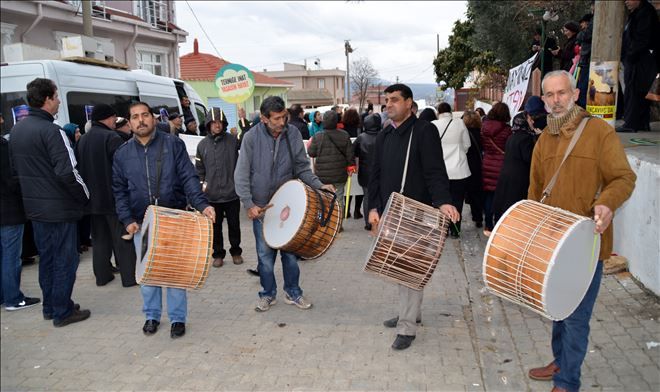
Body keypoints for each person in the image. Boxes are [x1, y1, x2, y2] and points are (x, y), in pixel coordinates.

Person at [527, 70, 636, 392]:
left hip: (588, 244)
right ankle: (560, 359)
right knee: (557, 308)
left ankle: (567, 382)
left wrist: (606, 203)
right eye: (549, 95)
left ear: (575, 95)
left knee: (575, 316)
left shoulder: (599, 132)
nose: (556, 100)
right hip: (553, 243)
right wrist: (533, 234)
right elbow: (534, 192)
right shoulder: (544, 139)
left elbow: (623, 178)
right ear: (544, 100)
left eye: (562, 93)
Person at [368, 84, 459, 350]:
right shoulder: (384, 135)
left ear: (409, 103)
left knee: (410, 268)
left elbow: (435, 170)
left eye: (395, 100)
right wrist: (373, 208)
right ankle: (412, 312)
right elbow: (375, 176)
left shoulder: (424, 131)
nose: (389, 104)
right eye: (387, 100)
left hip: (417, 213)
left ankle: (407, 327)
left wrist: (443, 201)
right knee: (399, 266)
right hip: (391, 212)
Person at [112, 101, 215, 339]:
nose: (141, 120)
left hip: (174, 219)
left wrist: (202, 205)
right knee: (148, 273)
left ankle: (178, 319)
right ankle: (152, 315)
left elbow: (189, 178)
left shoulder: (173, 144)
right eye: (135, 117)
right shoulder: (122, 154)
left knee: (175, 272)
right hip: (141, 223)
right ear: (129, 123)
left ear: (154, 118)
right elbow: (119, 191)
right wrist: (127, 219)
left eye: (145, 115)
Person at [234, 96, 335, 312]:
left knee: (290, 257)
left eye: (284, 117)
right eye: (277, 118)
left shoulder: (293, 133)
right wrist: (248, 203)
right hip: (260, 210)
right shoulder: (251, 138)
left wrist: (319, 185)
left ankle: (293, 292)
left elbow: (302, 168)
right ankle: (267, 294)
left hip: (289, 207)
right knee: (265, 258)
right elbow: (241, 174)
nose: (282, 122)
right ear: (263, 119)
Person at [9, 77, 91, 327]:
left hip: (35, 208)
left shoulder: (17, 130)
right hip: (59, 209)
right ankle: (62, 311)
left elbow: (15, 172)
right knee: (65, 259)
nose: (57, 102)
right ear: (47, 99)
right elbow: (68, 172)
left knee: (48, 259)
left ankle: (51, 305)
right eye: (56, 97)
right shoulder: (52, 131)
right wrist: (85, 196)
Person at [76, 103, 136, 287]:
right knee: (123, 239)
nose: (114, 122)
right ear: (107, 118)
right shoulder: (112, 137)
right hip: (113, 199)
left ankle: (102, 277)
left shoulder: (83, 140)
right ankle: (129, 277)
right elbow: (123, 168)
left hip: (91, 200)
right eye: (113, 118)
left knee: (100, 240)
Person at [196, 114, 243, 268]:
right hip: (212, 196)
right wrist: (202, 188)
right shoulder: (202, 145)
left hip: (232, 194)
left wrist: (243, 121)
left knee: (234, 225)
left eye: (220, 122)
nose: (217, 125)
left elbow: (247, 141)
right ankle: (218, 254)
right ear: (208, 124)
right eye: (213, 122)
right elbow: (199, 170)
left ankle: (236, 252)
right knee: (215, 228)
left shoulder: (232, 141)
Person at [1, 133, 41, 311]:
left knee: (5, 255)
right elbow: (9, 178)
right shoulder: (2, 145)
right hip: (8, 210)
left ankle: (4, 295)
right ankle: (13, 298)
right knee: (11, 256)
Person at [492, 96, 547, 223]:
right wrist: (539, 139)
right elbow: (532, 159)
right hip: (518, 184)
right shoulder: (526, 139)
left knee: (504, 214)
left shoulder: (513, 136)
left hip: (507, 182)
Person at [618, 0, 659, 133]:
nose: (626, 2)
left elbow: (642, 39)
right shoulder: (637, 13)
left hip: (640, 59)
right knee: (639, 90)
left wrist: (629, 55)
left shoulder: (645, 13)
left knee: (634, 90)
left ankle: (631, 123)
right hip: (638, 58)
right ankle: (641, 122)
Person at [431, 103, 471, 238]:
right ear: (450, 111)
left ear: (438, 112)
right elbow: (467, 145)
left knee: (441, 201)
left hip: (440, 170)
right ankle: (455, 229)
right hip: (459, 169)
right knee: (457, 201)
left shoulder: (433, 124)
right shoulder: (459, 123)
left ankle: (443, 229)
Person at [308, 110, 354, 225]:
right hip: (339, 174)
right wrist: (351, 166)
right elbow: (350, 154)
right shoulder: (344, 135)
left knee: (323, 199)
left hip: (322, 176)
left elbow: (311, 153)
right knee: (338, 199)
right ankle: (338, 225)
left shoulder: (318, 136)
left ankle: (325, 223)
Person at [480, 102, 512, 236]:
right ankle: (498, 224)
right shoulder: (507, 130)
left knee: (488, 196)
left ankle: (488, 225)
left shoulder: (484, 127)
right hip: (501, 165)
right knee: (500, 197)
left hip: (486, 163)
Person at [353, 113, 382, 230]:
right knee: (381, 196)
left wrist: (354, 165)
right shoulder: (383, 135)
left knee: (367, 197)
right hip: (382, 171)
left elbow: (353, 152)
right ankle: (379, 221)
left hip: (365, 171)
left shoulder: (361, 137)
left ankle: (368, 223)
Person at [462, 110, 484, 228]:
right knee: (477, 192)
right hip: (479, 165)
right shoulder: (481, 133)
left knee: (468, 191)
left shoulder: (463, 133)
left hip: (466, 165)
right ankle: (478, 217)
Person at [575, 13, 593, 108]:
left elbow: (584, 36)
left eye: (582, 24)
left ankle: (582, 106)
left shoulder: (589, 30)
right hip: (584, 61)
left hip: (588, 61)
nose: (581, 26)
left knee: (584, 86)